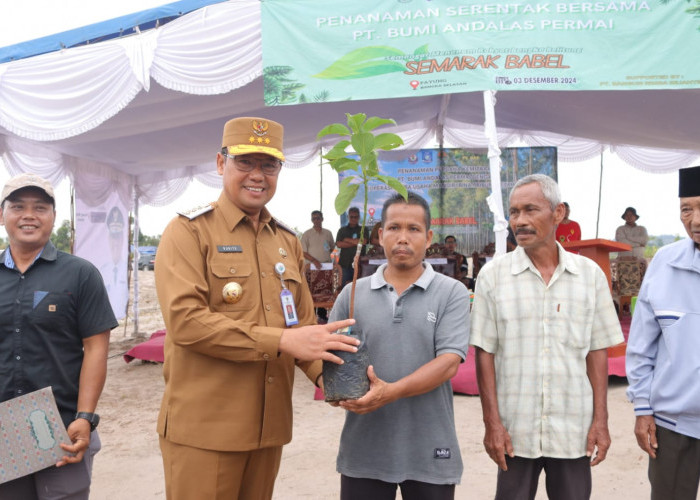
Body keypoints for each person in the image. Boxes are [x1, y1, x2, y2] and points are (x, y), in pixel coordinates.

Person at [154, 116, 359, 500]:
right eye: (244, 162)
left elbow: (301, 332)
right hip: (206, 430)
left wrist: (338, 383)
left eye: (269, 165)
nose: (257, 175)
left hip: (268, 430)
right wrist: (281, 340)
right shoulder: (188, 231)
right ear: (221, 164)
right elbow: (186, 323)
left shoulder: (286, 241)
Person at [470, 174, 623, 500]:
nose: (519, 221)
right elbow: (485, 353)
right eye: (513, 212)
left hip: (573, 430)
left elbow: (596, 351)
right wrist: (492, 424)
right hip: (515, 430)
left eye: (530, 210)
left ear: (558, 213)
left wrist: (601, 421)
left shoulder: (589, 276)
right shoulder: (493, 277)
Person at [329, 191, 470, 500]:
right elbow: (332, 356)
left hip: (430, 448)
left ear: (428, 236)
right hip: (363, 449)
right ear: (380, 235)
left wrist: (389, 392)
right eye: (394, 228)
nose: (402, 238)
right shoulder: (352, 295)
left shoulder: (452, 293)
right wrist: (335, 387)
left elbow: (448, 363)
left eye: (413, 229)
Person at [0, 173, 117, 499]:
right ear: (2, 215)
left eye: (40, 207)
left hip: (61, 424)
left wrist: (84, 417)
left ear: (53, 217)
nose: (29, 215)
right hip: (4, 428)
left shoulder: (80, 274)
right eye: (18, 206)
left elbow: (96, 349)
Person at [625, 165, 700, 500]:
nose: (695, 220)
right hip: (673, 426)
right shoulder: (664, 264)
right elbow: (642, 346)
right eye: (687, 209)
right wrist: (643, 408)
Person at [336, 206, 370, 288]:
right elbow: (339, 244)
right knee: (344, 288)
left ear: (359, 217)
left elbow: (364, 241)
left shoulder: (363, 229)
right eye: (351, 217)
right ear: (348, 217)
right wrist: (356, 242)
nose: (353, 219)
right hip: (345, 265)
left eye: (356, 217)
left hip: (360, 265)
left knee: (359, 288)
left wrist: (346, 239)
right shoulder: (342, 230)